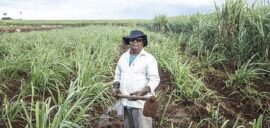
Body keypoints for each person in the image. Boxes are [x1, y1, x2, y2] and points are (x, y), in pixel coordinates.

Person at [113, 30, 160, 128]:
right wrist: (115, 88)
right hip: (125, 102)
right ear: (129, 42)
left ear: (143, 42)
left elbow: (154, 79)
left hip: (141, 104)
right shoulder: (123, 57)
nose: (135, 42)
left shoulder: (149, 58)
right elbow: (117, 75)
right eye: (132, 40)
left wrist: (141, 93)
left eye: (138, 40)